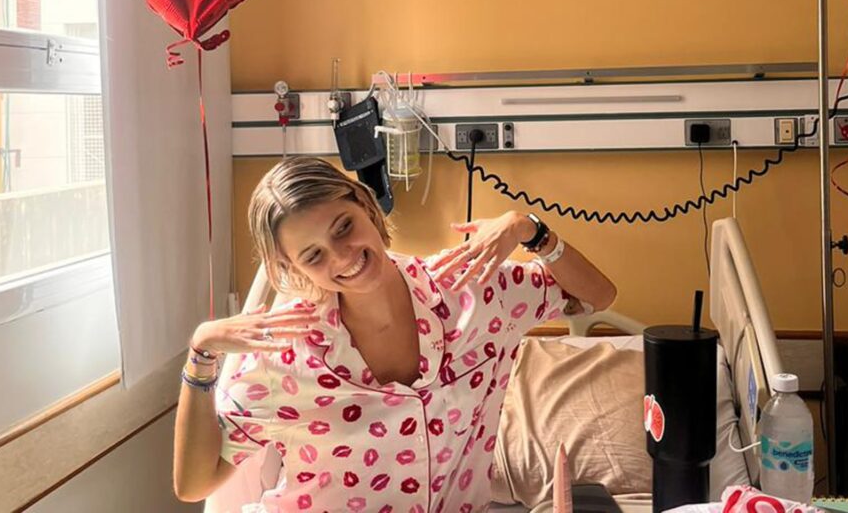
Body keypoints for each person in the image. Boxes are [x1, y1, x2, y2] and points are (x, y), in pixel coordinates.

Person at [173, 156, 617, 511]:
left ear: (365, 205)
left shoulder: (475, 291)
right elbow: (194, 485)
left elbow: (599, 296)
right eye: (313, 255)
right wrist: (201, 353)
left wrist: (529, 229)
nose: (343, 256)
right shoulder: (286, 353)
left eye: (343, 226)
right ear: (293, 269)